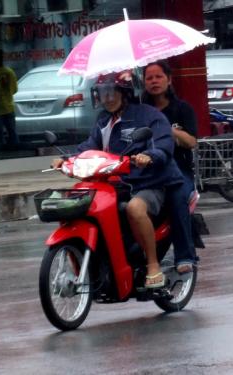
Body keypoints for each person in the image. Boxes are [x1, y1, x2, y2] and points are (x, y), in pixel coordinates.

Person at [52, 71, 182, 289]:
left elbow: (163, 145)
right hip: (114, 184)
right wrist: (67, 159)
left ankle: (152, 265)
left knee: (135, 209)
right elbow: (88, 147)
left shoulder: (149, 116)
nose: (107, 98)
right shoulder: (103, 121)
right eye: (103, 93)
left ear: (125, 93)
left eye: (112, 92)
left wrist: (149, 156)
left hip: (147, 182)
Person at [143, 61, 198, 274]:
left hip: (178, 170)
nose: (154, 81)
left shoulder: (182, 109)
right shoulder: (139, 110)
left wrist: (165, 128)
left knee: (176, 198)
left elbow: (191, 141)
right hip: (146, 170)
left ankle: (185, 255)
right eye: (149, 78)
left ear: (169, 79)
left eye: (158, 77)